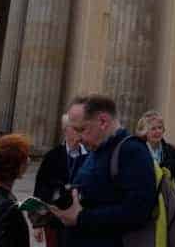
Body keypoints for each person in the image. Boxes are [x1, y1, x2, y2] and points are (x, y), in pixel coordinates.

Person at [49, 94, 156, 247]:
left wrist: (81, 218)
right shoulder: (97, 149)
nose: (78, 138)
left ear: (103, 121)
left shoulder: (132, 151)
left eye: (82, 129)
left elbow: (137, 212)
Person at [33, 114, 90, 247]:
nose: (80, 132)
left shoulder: (91, 156)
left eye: (82, 128)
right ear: (65, 130)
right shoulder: (52, 156)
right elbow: (41, 189)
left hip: (82, 220)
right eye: (75, 128)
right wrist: (37, 223)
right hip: (55, 219)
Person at [137, 111, 175, 189]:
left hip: (164, 199)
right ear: (144, 132)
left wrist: (168, 193)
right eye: (153, 129)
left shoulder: (172, 151)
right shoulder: (137, 151)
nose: (158, 131)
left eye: (160, 127)